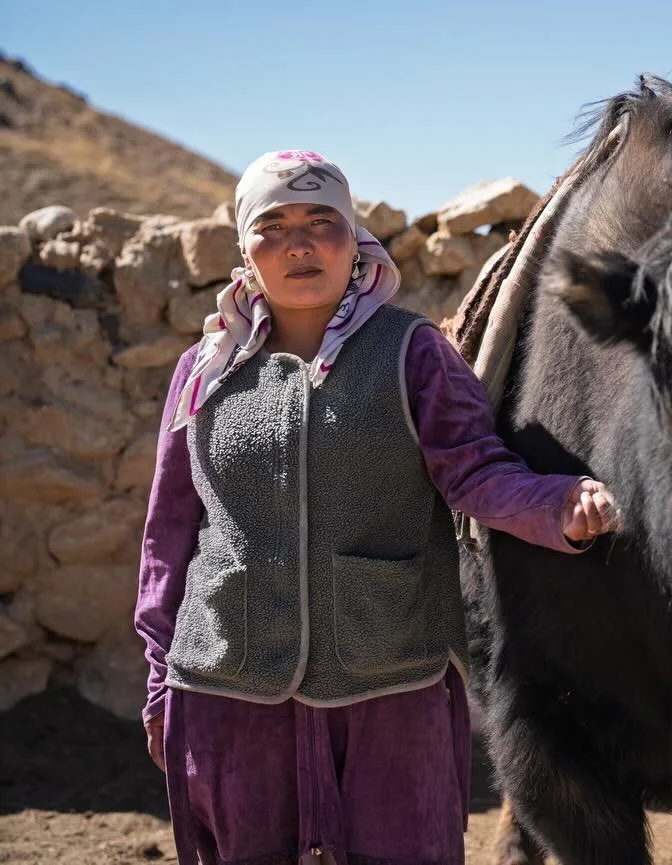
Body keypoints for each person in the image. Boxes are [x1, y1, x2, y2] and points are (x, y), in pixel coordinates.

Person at [133, 149, 618, 865]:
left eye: (321, 220)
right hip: (225, 686)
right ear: (245, 249)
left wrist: (559, 504)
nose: (299, 242)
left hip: (388, 684)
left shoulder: (412, 352)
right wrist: (156, 679)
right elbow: (169, 534)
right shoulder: (204, 370)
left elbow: (475, 470)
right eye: (274, 225)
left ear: (353, 237)